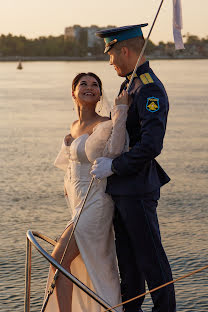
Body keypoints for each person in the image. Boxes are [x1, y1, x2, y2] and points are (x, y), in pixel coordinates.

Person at [92, 25, 177, 312]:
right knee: (128, 264)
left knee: (152, 262)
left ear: (125, 51)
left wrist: (115, 165)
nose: (110, 62)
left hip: (138, 188)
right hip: (122, 189)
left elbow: (151, 145)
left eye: (112, 56)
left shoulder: (148, 87)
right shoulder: (130, 83)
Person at [43, 72, 130, 312]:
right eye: (83, 84)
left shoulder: (105, 123)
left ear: (100, 94)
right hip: (78, 202)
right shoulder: (73, 126)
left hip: (98, 201)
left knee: (58, 260)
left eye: (95, 85)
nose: (89, 87)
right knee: (82, 263)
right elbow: (72, 164)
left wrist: (120, 112)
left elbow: (115, 152)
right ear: (73, 92)